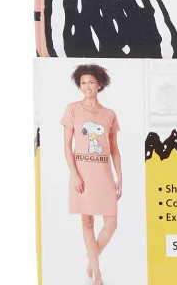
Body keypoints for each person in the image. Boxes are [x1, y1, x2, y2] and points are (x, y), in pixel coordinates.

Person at [61, 64, 122, 285]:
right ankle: (98, 275)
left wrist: (120, 177)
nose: (87, 87)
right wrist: (74, 174)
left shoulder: (109, 114)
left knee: (111, 224)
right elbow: (67, 146)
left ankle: (91, 262)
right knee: (87, 223)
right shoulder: (72, 109)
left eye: (91, 82)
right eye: (83, 83)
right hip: (83, 174)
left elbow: (114, 149)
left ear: (100, 84)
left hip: (104, 174)